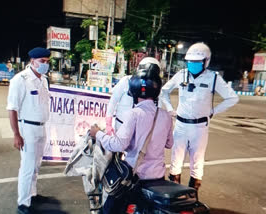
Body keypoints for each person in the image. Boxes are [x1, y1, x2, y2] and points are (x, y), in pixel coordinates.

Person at [89, 64, 174, 214]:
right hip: (158, 176)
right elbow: (169, 143)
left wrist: (98, 134)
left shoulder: (134, 114)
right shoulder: (165, 115)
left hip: (136, 177)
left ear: (133, 91)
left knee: (109, 209)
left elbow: (118, 145)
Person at [160, 42, 239, 192]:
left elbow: (232, 98)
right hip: (181, 125)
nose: (192, 65)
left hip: (199, 127)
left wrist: (213, 111)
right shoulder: (181, 75)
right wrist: (170, 109)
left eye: (197, 62)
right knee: (175, 161)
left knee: (197, 163)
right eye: (190, 62)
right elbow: (164, 91)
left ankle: (192, 196)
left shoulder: (213, 78)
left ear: (206, 61)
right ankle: (175, 196)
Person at [6, 47, 51, 214]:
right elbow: (12, 109)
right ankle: (23, 203)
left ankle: (32, 194)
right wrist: (16, 134)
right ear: (32, 61)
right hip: (27, 129)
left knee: (36, 165)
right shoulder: (20, 80)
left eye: (47, 62)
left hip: (41, 127)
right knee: (27, 166)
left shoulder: (44, 80)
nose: (45, 64)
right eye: (42, 61)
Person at [105, 57, 161, 135]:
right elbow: (113, 101)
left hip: (141, 130)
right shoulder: (126, 81)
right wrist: (108, 123)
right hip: (122, 125)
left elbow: (157, 107)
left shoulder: (155, 87)